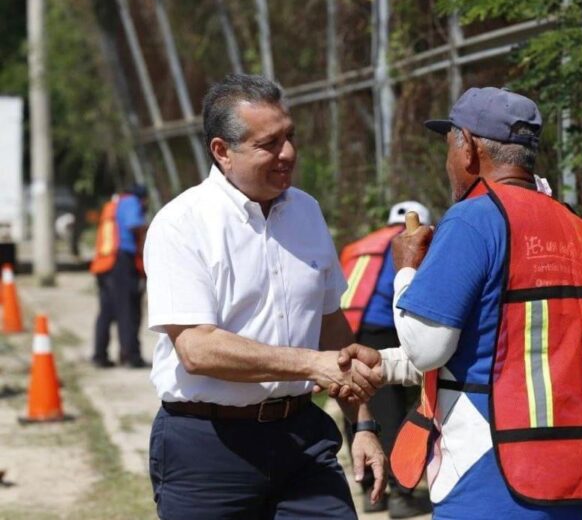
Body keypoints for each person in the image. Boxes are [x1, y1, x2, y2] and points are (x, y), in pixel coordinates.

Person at [341, 87, 582, 519]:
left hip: (490, 471)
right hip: (576, 468)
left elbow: (427, 347)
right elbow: (512, 351)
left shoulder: (473, 219)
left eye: (448, 145)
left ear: (466, 146)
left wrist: (407, 270)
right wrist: (386, 364)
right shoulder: (581, 232)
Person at [144, 73, 386, 520]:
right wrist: (311, 363)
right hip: (209, 448)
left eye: (290, 137)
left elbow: (332, 326)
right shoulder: (182, 224)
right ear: (222, 151)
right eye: (269, 144)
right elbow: (197, 348)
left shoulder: (307, 211)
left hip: (302, 440)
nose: (287, 154)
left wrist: (364, 424)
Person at [339, 201, 433, 518]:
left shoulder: (362, 245)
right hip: (383, 328)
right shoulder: (409, 242)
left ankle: (368, 491)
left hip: (346, 327)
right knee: (391, 409)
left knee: (359, 403)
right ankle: (400, 494)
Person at [90, 184, 149, 368]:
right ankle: (130, 356)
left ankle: (100, 355)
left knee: (107, 311)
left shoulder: (113, 205)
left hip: (104, 263)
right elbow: (133, 225)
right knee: (128, 310)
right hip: (122, 261)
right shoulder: (131, 202)